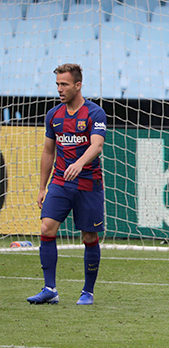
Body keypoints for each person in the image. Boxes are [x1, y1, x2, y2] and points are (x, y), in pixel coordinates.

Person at [28, 63, 107, 305]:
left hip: (88, 184)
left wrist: (80, 163)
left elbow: (97, 145)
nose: (60, 89)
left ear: (78, 85)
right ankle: (50, 288)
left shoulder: (94, 113)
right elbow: (48, 152)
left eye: (64, 84)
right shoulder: (53, 115)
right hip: (60, 182)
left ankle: (87, 292)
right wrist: (42, 187)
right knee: (46, 229)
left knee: (89, 236)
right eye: (57, 85)